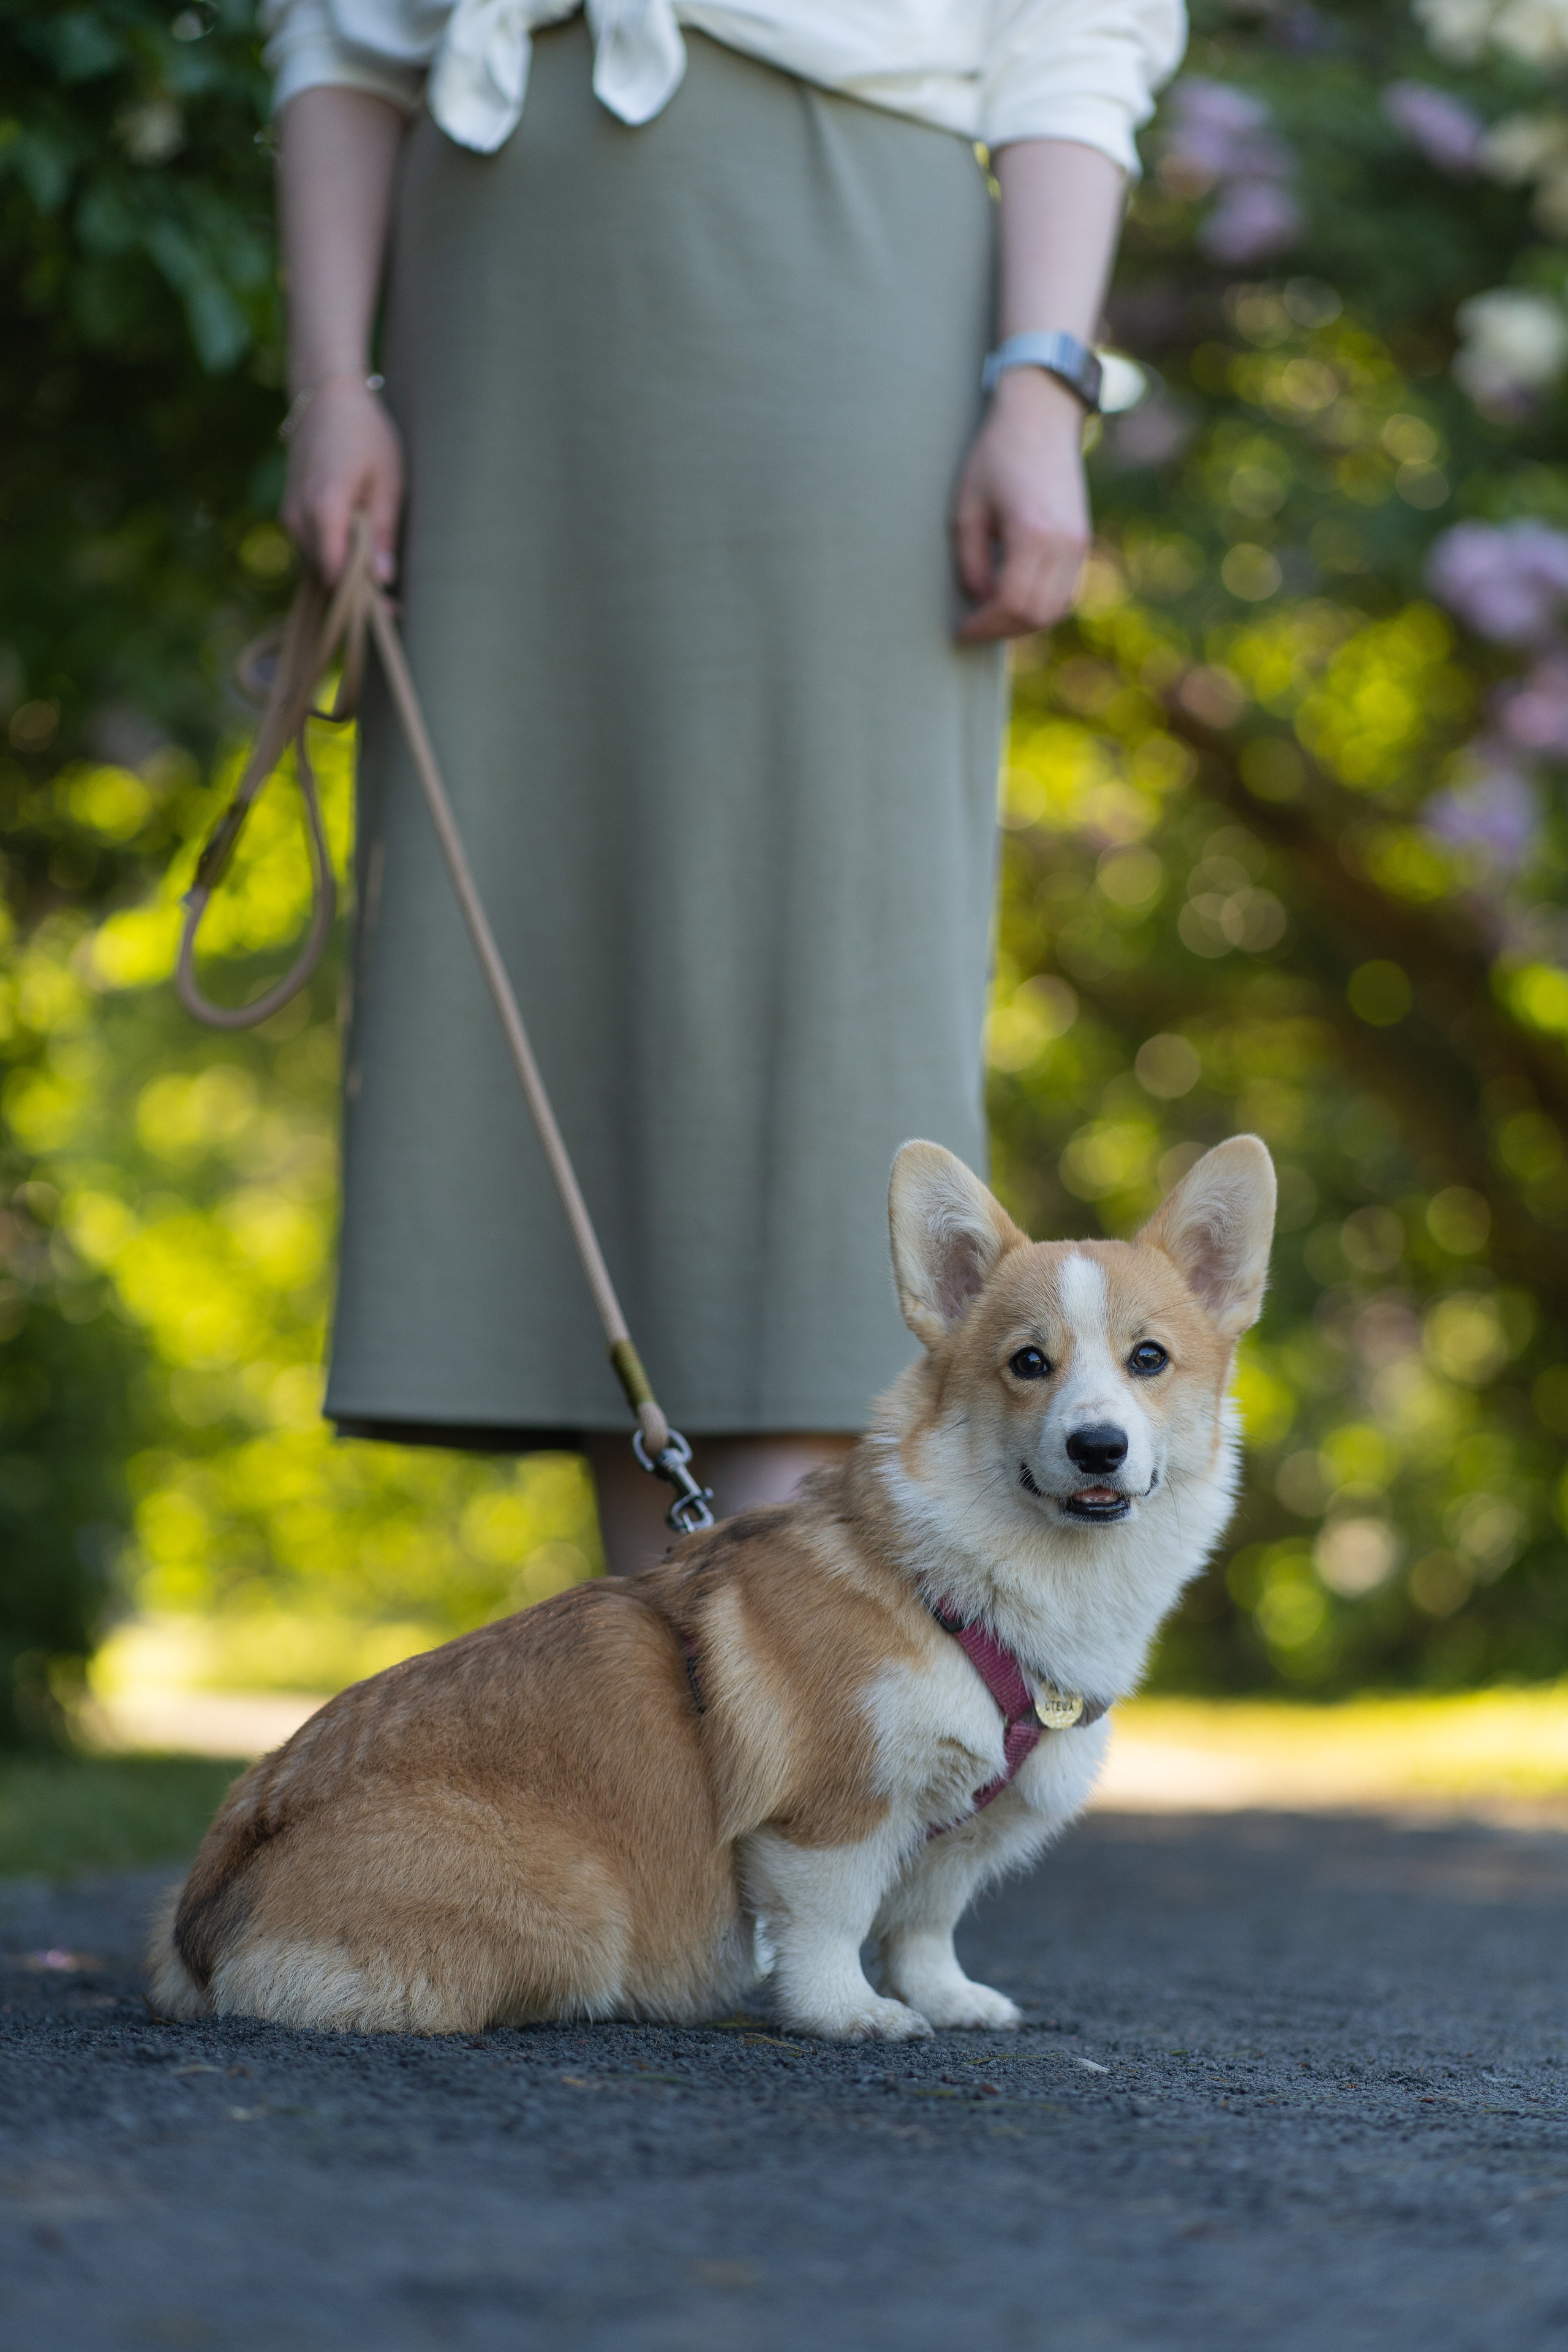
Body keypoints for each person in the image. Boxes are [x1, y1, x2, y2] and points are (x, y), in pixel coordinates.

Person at [263, 0, 1185, 1574]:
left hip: (833, 286)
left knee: (814, 971)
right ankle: (697, 1731)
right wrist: (331, 383)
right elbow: (336, 37)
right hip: (487, 319)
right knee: (565, 989)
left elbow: (1074, 23)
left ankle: (787, 1718)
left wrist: (1043, 384)